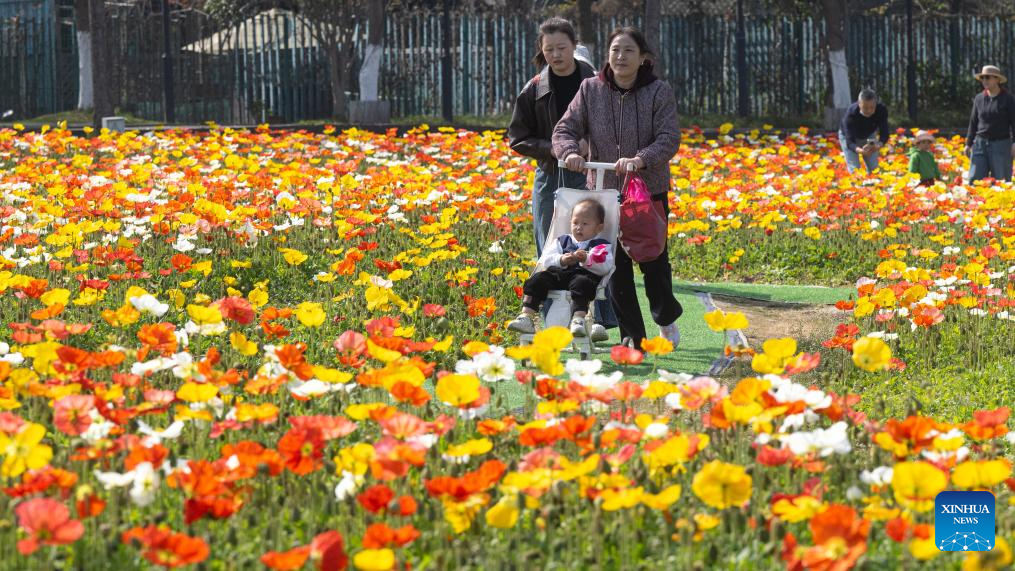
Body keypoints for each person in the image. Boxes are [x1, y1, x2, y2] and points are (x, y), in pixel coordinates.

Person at [552, 26, 682, 351]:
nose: (620, 57)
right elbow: (565, 128)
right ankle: (633, 339)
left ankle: (665, 316)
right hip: (605, 194)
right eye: (615, 51)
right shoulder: (590, 89)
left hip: (647, 193)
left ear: (643, 58)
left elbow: (669, 137)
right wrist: (569, 152)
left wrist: (641, 159)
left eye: (628, 51)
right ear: (607, 56)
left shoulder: (658, 91)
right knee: (614, 268)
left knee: (654, 267)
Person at [507, 17, 615, 342]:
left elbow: (611, 126)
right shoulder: (535, 88)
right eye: (549, 49)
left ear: (574, 46)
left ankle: (598, 321)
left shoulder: (596, 83)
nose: (556, 54)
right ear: (542, 50)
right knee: (552, 248)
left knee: (598, 245)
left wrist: (588, 146)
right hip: (550, 177)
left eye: (562, 48)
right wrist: (555, 150)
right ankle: (549, 323)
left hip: (589, 177)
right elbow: (517, 137)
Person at [507, 199, 615, 337]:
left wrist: (586, 259)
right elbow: (545, 259)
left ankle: (578, 320)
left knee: (583, 283)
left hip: (583, 275)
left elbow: (606, 266)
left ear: (599, 228)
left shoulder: (600, 246)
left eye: (585, 224)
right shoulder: (562, 240)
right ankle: (526, 316)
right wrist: (561, 259)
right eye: (575, 222)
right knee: (538, 278)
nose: (578, 227)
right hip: (560, 275)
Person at [965, 65, 1015, 182]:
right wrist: (968, 143)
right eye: (982, 78)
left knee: (1001, 182)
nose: (984, 80)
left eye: (988, 77)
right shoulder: (979, 98)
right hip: (980, 144)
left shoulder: (1008, 99)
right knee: (975, 181)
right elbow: (973, 122)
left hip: (1001, 145)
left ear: (997, 79)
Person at [838, 89, 889, 174]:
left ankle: (874, 185)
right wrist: (860, 151)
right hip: (849, 137)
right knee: (855, 169)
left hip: (869, 134)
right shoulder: (851, 113)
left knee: (874, 167)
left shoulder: (881, 110)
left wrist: (878, 145)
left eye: (872, 107)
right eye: (865, 107)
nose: (869, 111)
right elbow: (849, 141)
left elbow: (885, 133)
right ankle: (856, 186)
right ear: (859, 103)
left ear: (876, 103)